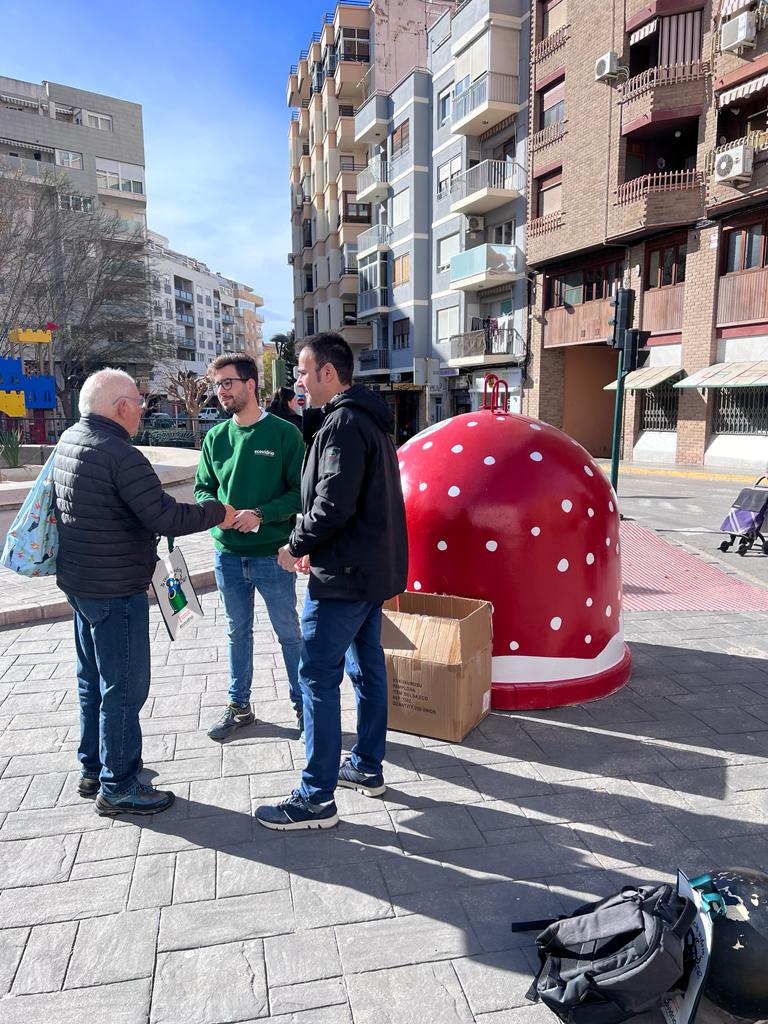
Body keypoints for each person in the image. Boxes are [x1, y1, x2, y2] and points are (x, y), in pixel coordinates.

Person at [54, 368, 236, 817]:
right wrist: (219, 512)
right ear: (120, 407)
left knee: (92, 681)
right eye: (139, 402)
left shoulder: (71, 441)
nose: (142, 409)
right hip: (116, 590)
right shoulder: (120, 453)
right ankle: (119, 784)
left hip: (81, 584)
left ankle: (95, 766)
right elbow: (165, 517)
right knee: (125, 687)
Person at [256, 332, 408, 831]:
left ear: (327, 373)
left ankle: (316, 797)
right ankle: (365, 766)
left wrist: (294, 545)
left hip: (343, 578)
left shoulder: (343, 424)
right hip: (367, 572)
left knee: (317, 677)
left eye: (302, 370)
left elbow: (331, 506)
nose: (297, 380)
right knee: (367, 670)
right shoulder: (365, 420)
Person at [194, 353, 305, 740]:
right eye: (217, 385)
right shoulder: (215, 437)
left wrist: (261, 513)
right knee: (236, 632)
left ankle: (303, 705)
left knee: (288, 632)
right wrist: (218, 512)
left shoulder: (284, 434)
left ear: (250, 384)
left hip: (273, 556)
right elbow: (203, 488)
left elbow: (300, 494)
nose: (221, 391)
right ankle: (239, 706)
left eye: (227, 383)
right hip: (226, 555)